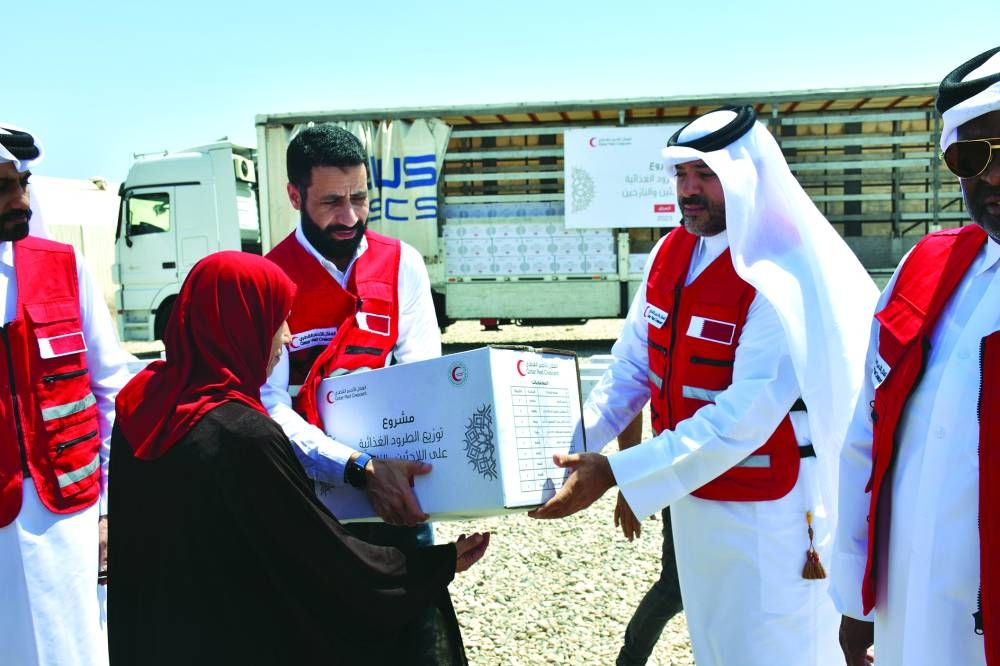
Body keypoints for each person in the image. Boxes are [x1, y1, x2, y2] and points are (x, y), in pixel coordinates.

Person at [530, 105, 878, 665]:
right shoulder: (669, 254)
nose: (689, 190)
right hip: (694, 498)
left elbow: (743, 417)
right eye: (680, 175)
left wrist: (619, 470)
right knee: (715, 648)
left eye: (706, 175)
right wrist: (554, 450)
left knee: (775, 651)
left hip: (773, 512)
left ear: (744, 175)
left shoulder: (780, 272)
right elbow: (630, 371)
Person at [108, 251, 489, 665]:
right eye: (277, 319)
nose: (288, 337)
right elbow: (325, 562)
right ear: (240, 324)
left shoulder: (139, 407)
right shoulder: (243, 434)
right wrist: (434, 565)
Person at [832, 45, 1000, 666]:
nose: (995, 175)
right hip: (904, 608)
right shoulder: (923, 266)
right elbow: (867, 435)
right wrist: (856, 596)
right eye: (975, 154)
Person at [261, 123, 449, 659]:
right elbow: (269, 403)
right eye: (331, 202)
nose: (349, 217)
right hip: (315, 499)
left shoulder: (402, 263)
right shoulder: (272, 277)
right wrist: (353, 466)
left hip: (396, 495)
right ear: (295, 196)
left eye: (360, 198)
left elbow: (423, 376)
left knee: (413, 639)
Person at [0, 124, 131, 666]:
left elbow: (110, 386)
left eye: (24, 182)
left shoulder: (62, 266)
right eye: (4, 187)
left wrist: (108, 507)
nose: (21, 200)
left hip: (69, 512)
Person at [612, 411, 684, 666]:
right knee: (676, 586)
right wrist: (631, 478)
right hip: (683, 474)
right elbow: (631, 395)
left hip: (751, 479)